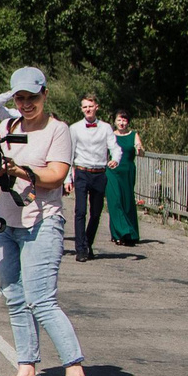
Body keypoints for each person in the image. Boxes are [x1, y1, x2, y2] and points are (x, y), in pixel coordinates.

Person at [0, 66, 91, 376]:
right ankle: (26, 372)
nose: (27, 104)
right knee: (14, 297)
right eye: (21, 98)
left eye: (32, 97)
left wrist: (19, 170)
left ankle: (75, 375)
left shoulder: (58, 130)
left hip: (42, 222)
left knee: (41, 300)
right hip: (7, 219)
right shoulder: (7, 126)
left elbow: (56, 176)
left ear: (45, 95)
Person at [70, 95, 120, 259]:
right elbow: (69, 154)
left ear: (96, 107)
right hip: (82, 172)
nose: (88, 109)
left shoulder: (105, 128)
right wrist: (67, 178)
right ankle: (80, 249)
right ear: (81, 109)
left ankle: (88, 243)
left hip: (99, 173)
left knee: (96, 213)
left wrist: (115, 159)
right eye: (85, 107)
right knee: (80, 211)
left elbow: (115, 147)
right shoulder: (75, 128)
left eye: (90, 106)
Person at [106, 111, 141, 247]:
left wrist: (139, 148)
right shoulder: (110, 135)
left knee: (127, 201)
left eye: (124, 120)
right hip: (112, 171)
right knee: (115, 200)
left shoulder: (133, 135)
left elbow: (140, 149)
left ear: (128, 122)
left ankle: (130, 233)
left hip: (127, 171)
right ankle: (121, 233)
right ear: (115, 121)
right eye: (119, 120)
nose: (122, 123)